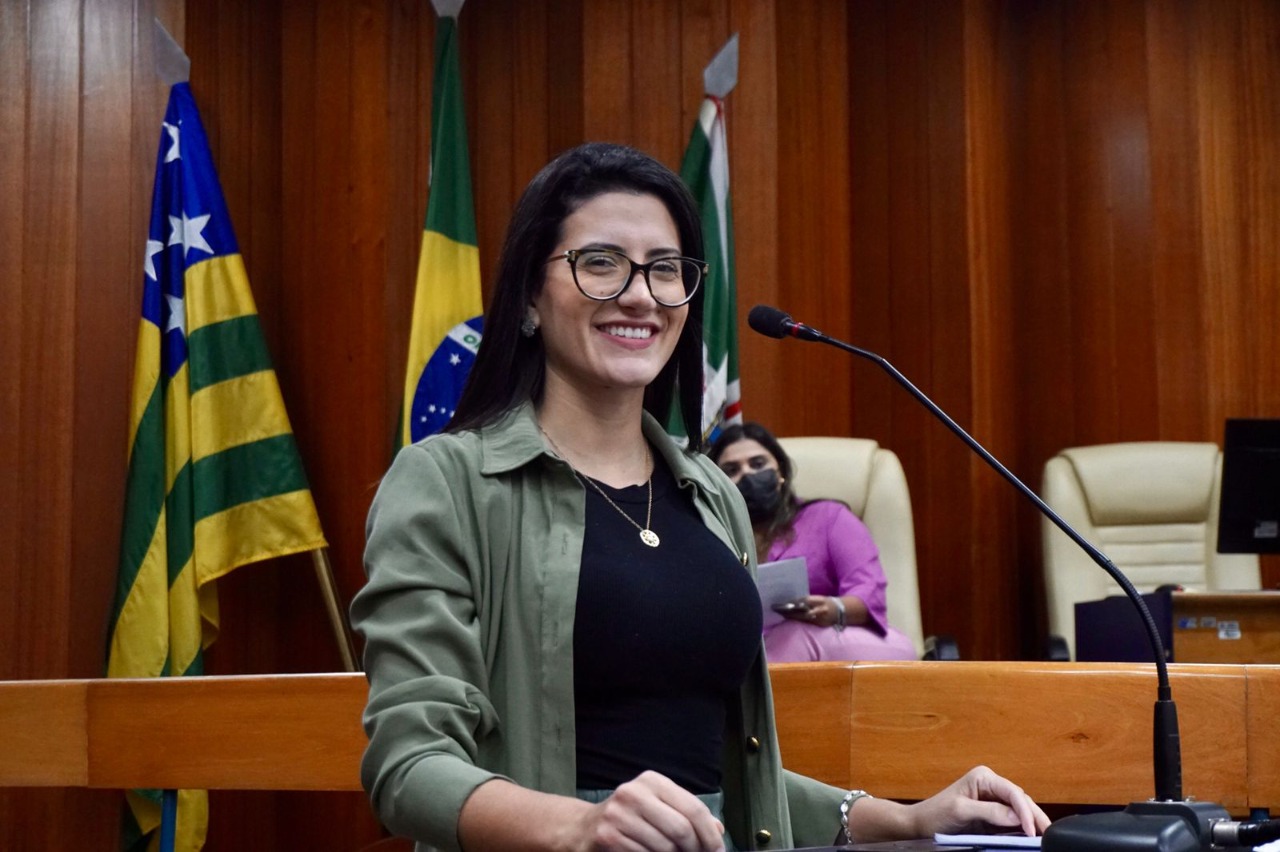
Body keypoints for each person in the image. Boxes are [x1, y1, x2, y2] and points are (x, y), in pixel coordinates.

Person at [351, 142, 1049, 852]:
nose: (640, 295)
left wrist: (906, 818)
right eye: (600, 263)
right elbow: (407, 768)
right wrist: (581, 827)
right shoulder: (446, 481)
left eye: (665, 270)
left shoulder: (711, 491)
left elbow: (732, 783)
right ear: (530, 295)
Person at [707, 423, 918, 664]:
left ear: (780, 472)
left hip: (849, 644)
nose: (747, 474)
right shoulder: (713, 537)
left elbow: (868, 590)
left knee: (791, 636)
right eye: (732, 470)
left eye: (758, 464)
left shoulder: (829, 517)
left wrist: (832, 609)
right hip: (755, 652)